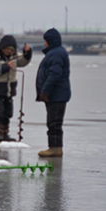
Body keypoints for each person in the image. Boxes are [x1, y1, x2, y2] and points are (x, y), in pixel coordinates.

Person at [0, 35, 32, 141]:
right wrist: (6, 66)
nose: (9, 51)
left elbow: (23, 61)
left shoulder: (14, 57)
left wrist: (27, 53)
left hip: (9, 90)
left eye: (11, 50)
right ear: (2, 48)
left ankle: (4, 133)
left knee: (8, 113)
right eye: (7, 49)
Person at [35, 28, 71, 157]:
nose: (44, 43)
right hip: (55, 94)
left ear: (50, 41)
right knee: (53, 122)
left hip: (57, 95)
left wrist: (45, 91)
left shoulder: (56, 53)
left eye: (45, 41)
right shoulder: (55, 52)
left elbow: (54, 74)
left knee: (54, 122)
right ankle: (54, 147)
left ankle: (55, 148)